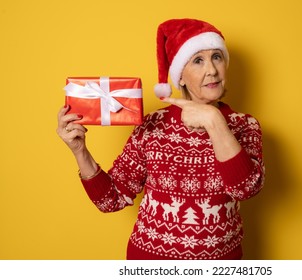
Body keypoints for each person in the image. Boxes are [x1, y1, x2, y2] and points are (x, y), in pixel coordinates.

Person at [57, 18, 265, 260]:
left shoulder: (244, 125)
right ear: (181, 77)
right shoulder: (152, 125)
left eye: (217, 57)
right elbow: (111, 199)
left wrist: (214, 120)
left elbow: (246, 189)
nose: (212, 69)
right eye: (198, 60)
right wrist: (79, 150)